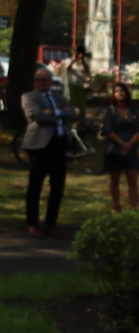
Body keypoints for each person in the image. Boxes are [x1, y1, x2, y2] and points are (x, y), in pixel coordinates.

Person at [21, 68, 77, 238]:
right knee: (35, 186)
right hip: (40, 147)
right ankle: (32, 224)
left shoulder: (59, 97)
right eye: (37, 79)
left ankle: (50, 223)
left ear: (51, 82)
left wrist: (53, 112)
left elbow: (73, 114)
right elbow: (38, 117)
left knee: (58, 186)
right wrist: (61, 115)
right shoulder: (29, 97)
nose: (40, 83)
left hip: (59, 145)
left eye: (44, 80)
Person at [101, 82, 139, 212]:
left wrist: (130, 144)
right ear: (113, 94)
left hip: (131, 151)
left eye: (122, 90)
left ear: (126, 93)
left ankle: (133, 208)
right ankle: (116, 206)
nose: (120, 93)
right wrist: (121, 144)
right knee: (115, 180)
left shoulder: (134, 111)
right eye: (117, 91)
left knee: (133, 181)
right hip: (115, 150)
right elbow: (108, 130)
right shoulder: (110, 111)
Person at [62, 45, 92, 113]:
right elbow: (67, 68)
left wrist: (82, 60)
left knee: (81, 104)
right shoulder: (68, 61)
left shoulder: (85, 62)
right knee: (72, 103)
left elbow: (87, 70)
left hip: (82, 86)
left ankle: (81, 118)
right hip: (71, 85)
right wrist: (73, 60)